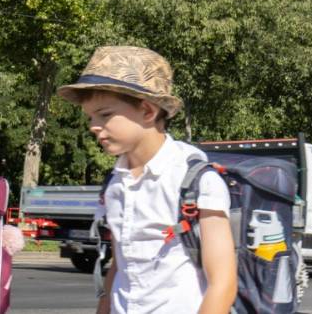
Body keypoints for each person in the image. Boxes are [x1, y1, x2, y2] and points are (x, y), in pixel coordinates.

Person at [55, 46, 237, 314]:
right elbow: (120, 266)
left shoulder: (197, 182)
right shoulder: (115, 184)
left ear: (148, 111)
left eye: (105, 115)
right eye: (91, 117)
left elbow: (223, 283)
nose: (93, 126)